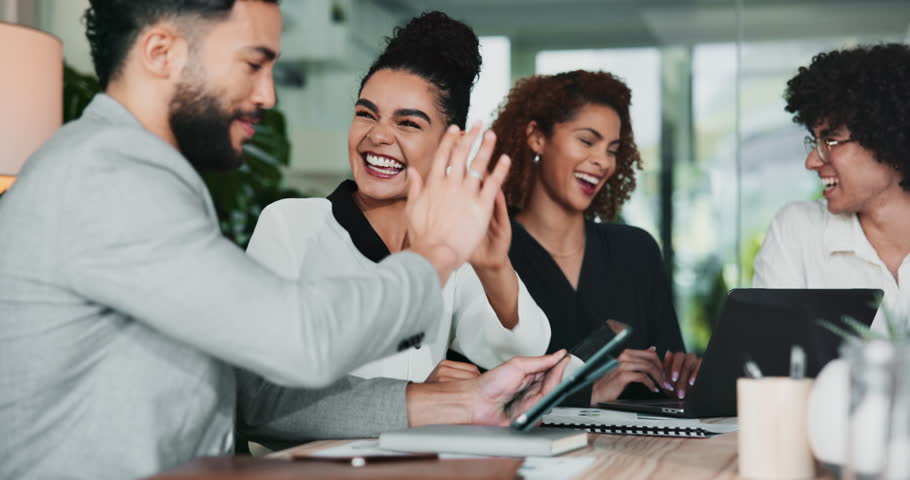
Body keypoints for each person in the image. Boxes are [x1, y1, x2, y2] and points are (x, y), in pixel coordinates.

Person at [0, 1, 568, 478]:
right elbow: (302, 340)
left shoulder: (137, 177)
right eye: (252, 63)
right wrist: (439, 251)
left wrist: (464, 399)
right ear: (161, 53)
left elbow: (261, 394)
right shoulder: (106, 179)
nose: (268, 95)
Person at [243, 12, 550, 386]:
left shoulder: (447, 244)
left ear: (448, 144)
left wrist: (493, 267)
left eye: (407, 123)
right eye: (365, 114)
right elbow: (265, 392)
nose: (378, 135)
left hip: (416, 447)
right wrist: (416, 398)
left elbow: (526, 354)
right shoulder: (291, 225)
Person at [489, 70, 698, 406]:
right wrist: (590, 391)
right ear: (537, 137)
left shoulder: (636, 252)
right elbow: (479, 390)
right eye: (587, 141)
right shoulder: (493, 251)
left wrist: (683, 375)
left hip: (641, 453)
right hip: (535, 455)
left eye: (612, 149)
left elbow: (669, 370)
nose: (602, 161)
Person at [753, 43, 910, 329]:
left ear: (891, 138)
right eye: (815, 141)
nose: (812, 160)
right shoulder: (798, 230)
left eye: (831, 140)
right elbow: (765, 364)